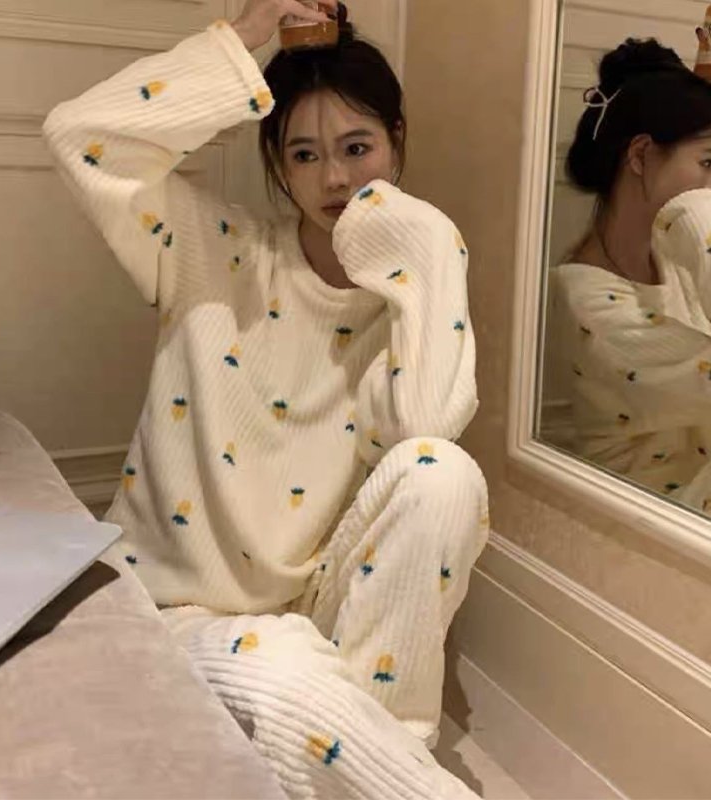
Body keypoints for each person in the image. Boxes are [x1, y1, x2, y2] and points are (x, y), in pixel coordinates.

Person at [44, 1, 487, 796]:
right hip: (185, 612)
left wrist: (428, 247)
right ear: (277, 163)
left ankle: (356, 753)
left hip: (315, 605)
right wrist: (248, 37)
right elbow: (80, 138)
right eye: (305, 154)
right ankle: (389, 764)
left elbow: (425, 427)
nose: (336, 178)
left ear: (397, 141)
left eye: (358, 148)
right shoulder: (210, 247)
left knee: (445, 474)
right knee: (285, 673)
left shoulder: (409, 291)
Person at [551, 38, 711, 514]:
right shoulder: (583, 300)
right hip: (652, 518)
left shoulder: (675, 258)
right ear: (640, 156)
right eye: (708, 163)